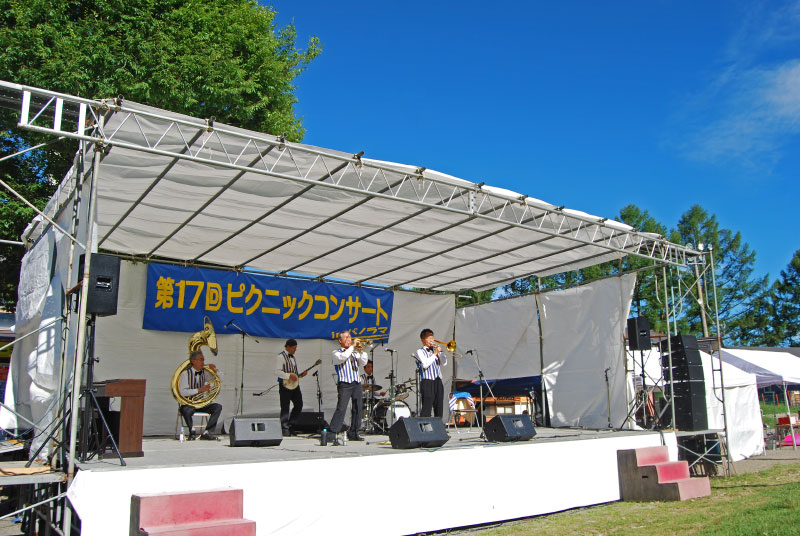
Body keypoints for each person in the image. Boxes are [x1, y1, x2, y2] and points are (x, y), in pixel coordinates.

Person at [329, 330, 368, 443]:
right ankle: (332, 432)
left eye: (350, 337)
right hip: (345, 384)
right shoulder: (336, 352)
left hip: (356, 382)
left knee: (358, 408)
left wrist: (361, 351)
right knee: (341, 408)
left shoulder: (354, 353)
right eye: (346, 337)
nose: (349, 339)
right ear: (340, 341)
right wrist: (352, 346)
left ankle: (354, 432)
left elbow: (364, 363)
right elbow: (342, 358)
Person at [178, 349, 222, 440]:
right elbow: (183, 392)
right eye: (201, 360)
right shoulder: (185, 374)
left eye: (203, 360)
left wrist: (215, 371)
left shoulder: (205, 373)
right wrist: (199, 390)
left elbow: (220, 380)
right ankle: (192, 431)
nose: (203, 362)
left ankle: (208, 432)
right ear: (193, 361)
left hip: (201, 403)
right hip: (189, 404)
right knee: (185, 410)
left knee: (217, 407)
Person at [414, 328, 448, 418]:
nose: (432, 340)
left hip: (438, 381)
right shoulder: (420, 351)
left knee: (439, 406)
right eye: (429, 338)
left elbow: (444, 363)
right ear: (423, 340)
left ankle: (439, 424)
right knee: (427, 407)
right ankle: (425, 424)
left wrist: (441, 352)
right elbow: (425, 364)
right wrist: (435, 354)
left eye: (432, 338)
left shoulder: (435, 351)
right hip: (427, 381)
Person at [276, 339, 306, 436]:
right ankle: (284, 429)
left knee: (299, 404)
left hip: (294, 385)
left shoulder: (293, 358)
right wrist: (289, 376)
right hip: (285, 385)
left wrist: (300, 375)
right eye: (293, 348)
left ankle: (291, 425)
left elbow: (294, 374)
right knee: (285, 407)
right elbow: (277, 372)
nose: (295, 350)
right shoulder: (281, 356)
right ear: (288, 347)